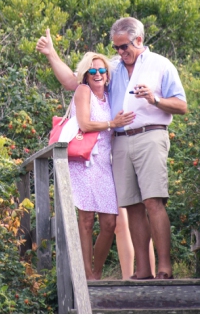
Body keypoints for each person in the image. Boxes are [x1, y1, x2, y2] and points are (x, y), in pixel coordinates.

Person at [37, 17, 187, 280]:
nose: (119, 52)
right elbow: (74, 81)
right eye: (116, 47)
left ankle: (164, 267)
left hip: (150, 134)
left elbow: (182, 105)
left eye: (124, 47)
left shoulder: (160, 64)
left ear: (138, 40)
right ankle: (143, 271)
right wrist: (51, 53)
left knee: (153, 200)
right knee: (131, 206)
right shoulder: (114, 68)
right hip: (119, 142)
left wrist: (154, 98)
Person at [65, 52, 135, 280]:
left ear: (107, 75)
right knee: (86, 220)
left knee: (109, 223)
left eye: (101, 70)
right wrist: (111, 124)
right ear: (85, 75)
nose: (97, 74)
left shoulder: (109, 95)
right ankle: (87, 275)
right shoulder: (83, 91)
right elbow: (84, 124)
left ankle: (96, 271)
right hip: (85, 162)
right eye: (92, 71)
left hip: (105, 162)